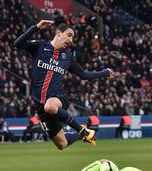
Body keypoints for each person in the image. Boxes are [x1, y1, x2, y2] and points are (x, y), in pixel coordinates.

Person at [14, 20, 115, 150]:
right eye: (69, 35)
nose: (71, 40)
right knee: (62, 144)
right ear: (58, 33)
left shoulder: (67, 57)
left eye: (72, 37)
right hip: (40, 106)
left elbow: (83, 75)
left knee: (50, 106)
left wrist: (105, 72)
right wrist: (37, 27)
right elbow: (17, 44)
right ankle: (82, 132)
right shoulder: (40, 47)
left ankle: (81, 131)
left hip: (58, 98)